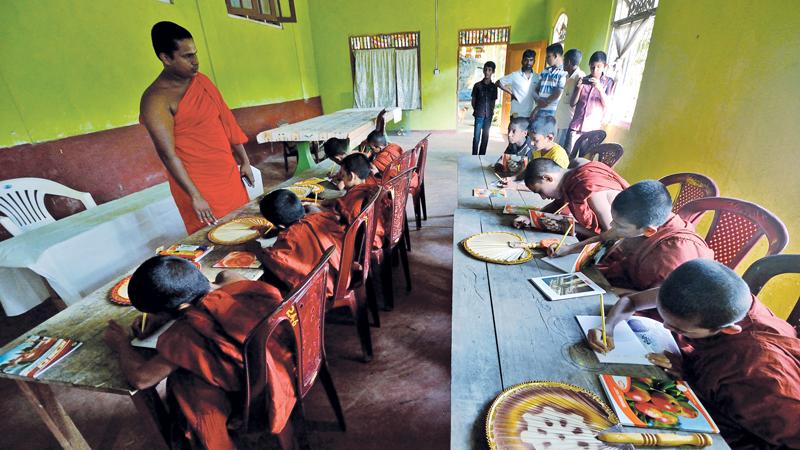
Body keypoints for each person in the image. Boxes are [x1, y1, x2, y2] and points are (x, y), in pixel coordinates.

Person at [588, 259, 800, 449]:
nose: (667, 328)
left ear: (728, 329)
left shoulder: (756, 372)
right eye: (664, 320)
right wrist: (608, 327)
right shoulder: (710, 298)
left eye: (680, 330)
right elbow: (632, 301)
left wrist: (689, 375)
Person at [103, 256, 296, 450]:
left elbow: (141, 379)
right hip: (287, 369)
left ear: (182, 309)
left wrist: (121, 344)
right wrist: (162, 317)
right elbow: (224, 276)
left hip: (255, 399)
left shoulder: (188, 334)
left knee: (185, 384)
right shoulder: (241, 285)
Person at [140, 22, 254, 234]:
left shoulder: (201, 81)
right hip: (198, 184)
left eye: (195, 54)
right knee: (216, 238)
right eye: (187, 56)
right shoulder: (156, 100)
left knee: (243, 227)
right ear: (166, 58)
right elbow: (168, 154)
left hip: (227, 173)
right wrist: (195, 195)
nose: (196, 62)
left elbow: (227, 122)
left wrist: (244, 161)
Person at [552, 181, 713, 310]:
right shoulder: (643, 218)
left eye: (620, 226)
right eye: (613, 221)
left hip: (652, 308)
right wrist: (569, 249)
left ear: (649, 231)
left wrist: (608, 290)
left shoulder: (676, 251)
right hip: (619, 282)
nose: (613, 227)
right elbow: (607, 236)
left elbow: (663, 298)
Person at [255, 189, 344, 298]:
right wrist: (277, 231)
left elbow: (274, 258)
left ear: (280, 226)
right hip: (344, 273)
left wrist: (256, 249)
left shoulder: (288, 241)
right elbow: (304, 229)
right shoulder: (323, 217)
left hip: (326, 289)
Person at [514, 157, 629, 238]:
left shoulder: (588, 188)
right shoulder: (573, 167)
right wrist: (532, 218)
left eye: (540, 192)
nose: (543, 198)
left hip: (629, 237)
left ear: (548, 178)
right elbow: (561, 201)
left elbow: (612, 234)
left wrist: (568, 225)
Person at [328, 153, 386, 250]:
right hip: (377, 233)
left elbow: (348, 224)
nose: (341, 179)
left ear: (351, 176)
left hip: (363, 243)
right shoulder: (368, 187)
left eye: (342, 175)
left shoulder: (357, 201)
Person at [569, 51, 615, 145]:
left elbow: (608, 105)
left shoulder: (608, 82)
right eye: (592, 67)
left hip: (592, 129)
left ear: (604, 66)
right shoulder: (583, 79)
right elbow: (572, 103)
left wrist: (600, 89)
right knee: (567, 155)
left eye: (598, 67)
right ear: (589, 65)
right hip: (576, 126)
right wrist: (578, 88)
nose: (595, 70)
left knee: (585, 158)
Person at [555, 48, 585, 150]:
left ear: (568, 62)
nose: (562, 63)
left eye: (564, 61)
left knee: (561, 150)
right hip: (560, 120)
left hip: (567, 122)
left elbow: (575, 103)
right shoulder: (568, 76)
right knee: (556, 147)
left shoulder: (580, 77)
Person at [496, 49, 539, 119]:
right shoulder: (515, 75)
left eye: (531, 60)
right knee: (513, 130)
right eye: (526, 60)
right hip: (516, 114)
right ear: (522, 61)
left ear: (534, 62)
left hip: (530, 114)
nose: (528, 62)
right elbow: (498, 83)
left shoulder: (537, 77)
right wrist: (511, 93)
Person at [530, 43, 567, 123]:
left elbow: (557, 94)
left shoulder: (564, 72)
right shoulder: (545, 71)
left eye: (548, 56)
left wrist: (538, 107)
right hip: (540, 110)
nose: (546, 59)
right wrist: (537, 99)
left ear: (556, 56)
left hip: (553, 112)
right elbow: (535, 89)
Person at [471, 61, 498, 156]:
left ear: (493, 72)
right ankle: (474, 156)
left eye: (489, 70)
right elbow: (473, 101)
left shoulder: (494, 87)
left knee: (485, 137)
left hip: (488, 116)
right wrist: (478, 110)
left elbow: (493, 102)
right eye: (485, 69)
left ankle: (481, 156)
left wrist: (490, 112)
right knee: (476, 137)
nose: (487, 72)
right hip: (479, 115)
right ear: (483, 70)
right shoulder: (477, 86)